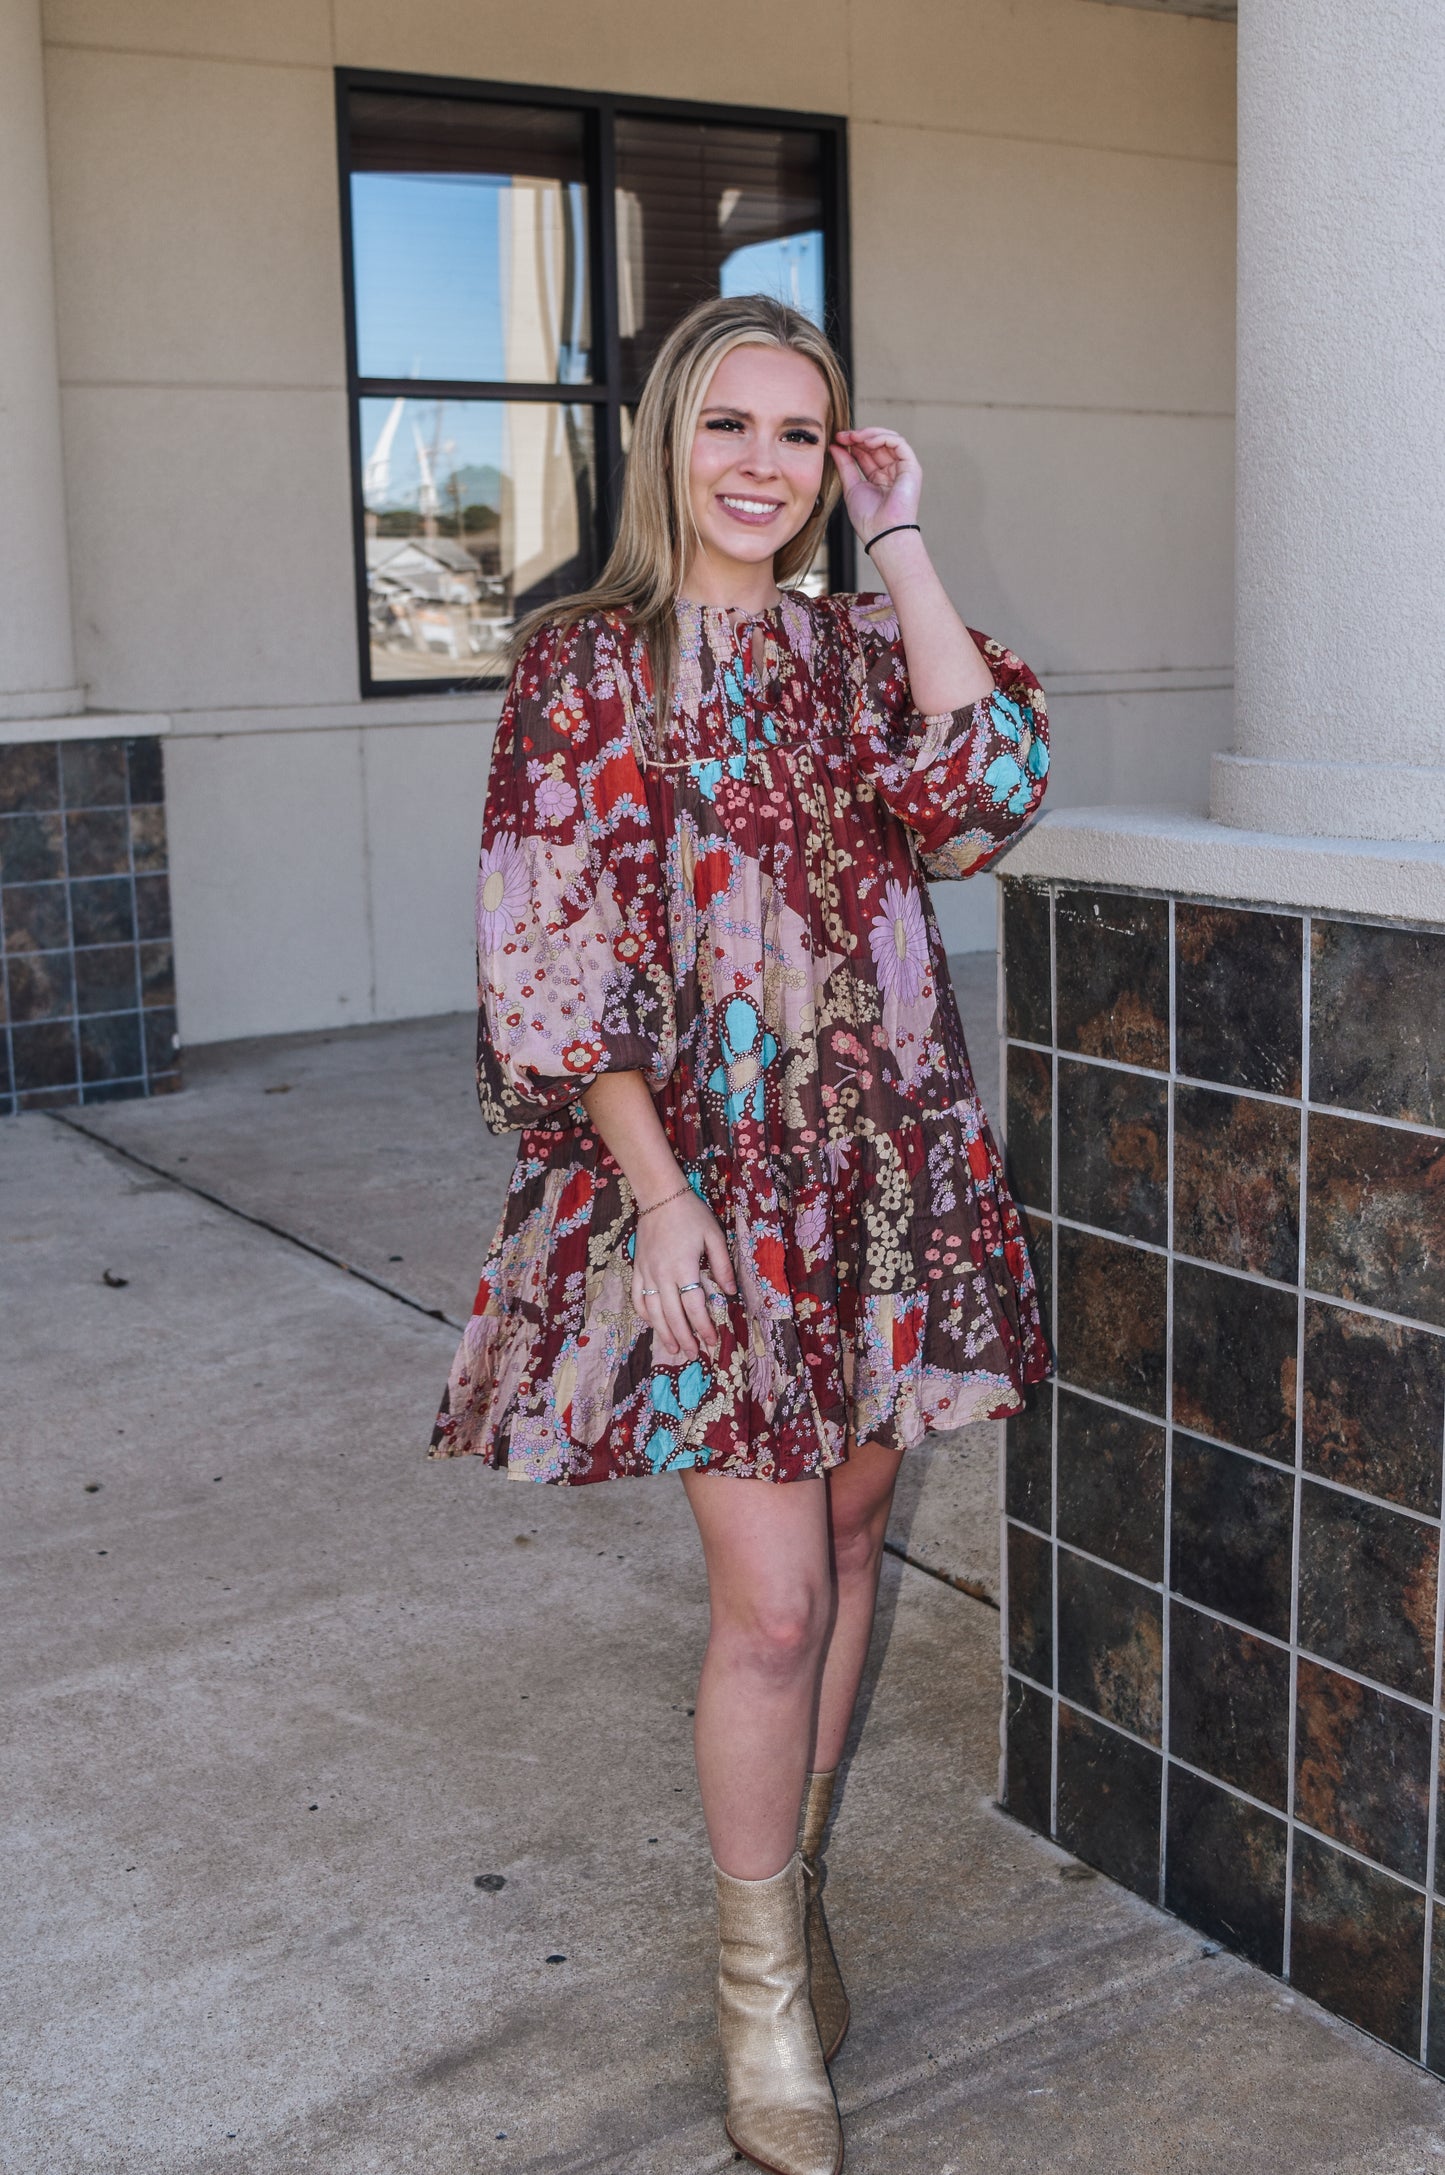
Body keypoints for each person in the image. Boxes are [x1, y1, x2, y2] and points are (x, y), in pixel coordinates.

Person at [431, 292, 1049, 2175]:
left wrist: (909, 534)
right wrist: (657, 1191)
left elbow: (986, 797)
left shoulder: (865, 647)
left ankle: (797, 1889)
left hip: (878, 1165)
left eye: (802, 434)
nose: (764, 466)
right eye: (730, 427)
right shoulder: (584, 663)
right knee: (772, 1599)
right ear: (666, 445)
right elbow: (553, 950)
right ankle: (758, 1994)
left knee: (858, 1534)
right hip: (702, 1181)